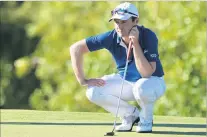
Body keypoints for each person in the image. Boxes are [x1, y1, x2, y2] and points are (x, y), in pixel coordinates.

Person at [70, 2, 166, 133]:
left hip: (153, 83)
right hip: (126, 83)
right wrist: (83, 80)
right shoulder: (111, 36)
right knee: (93, 91)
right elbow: (76, 49)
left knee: (141, 86)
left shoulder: (148, 36)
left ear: (135, 21)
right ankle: (130, 115)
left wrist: (135, 43)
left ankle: (146, 120)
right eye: (116, 21)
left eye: (123, 22)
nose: (119, 26)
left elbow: (146, 73)